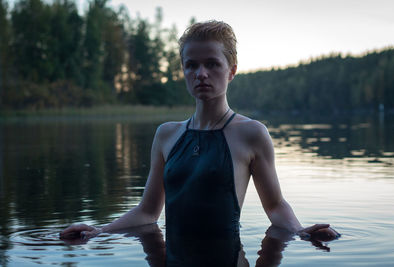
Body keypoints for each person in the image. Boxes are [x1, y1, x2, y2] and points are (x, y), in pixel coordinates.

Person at [60, 20, 339, 264]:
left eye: (212, 64)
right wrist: (99, 231)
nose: (201, 73)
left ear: (231, 71)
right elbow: (147, 212)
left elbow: (275, 206)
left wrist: (301, 232)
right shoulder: (166, 134)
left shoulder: (252, 134)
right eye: (191, 65)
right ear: (183, 70)